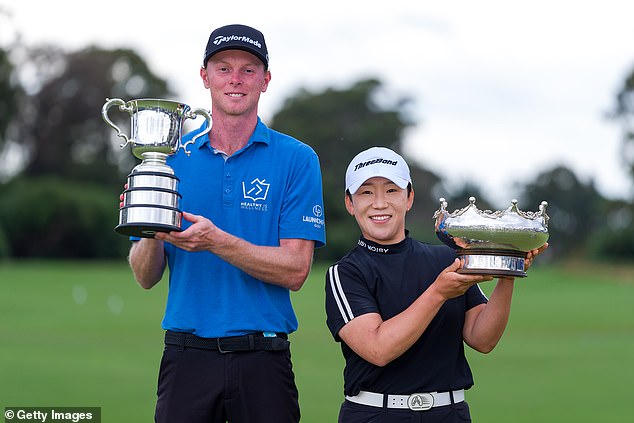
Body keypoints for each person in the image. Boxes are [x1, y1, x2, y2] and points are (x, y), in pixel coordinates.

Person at [126, 24, 326, 423]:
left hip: (263, 359)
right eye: (223, 67)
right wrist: (150, 227)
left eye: (249, 69)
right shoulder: (169, 159)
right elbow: (146, 277)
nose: (235, 79)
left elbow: (296, 269)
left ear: (265, 80)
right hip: (187, 358)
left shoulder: (297, 158)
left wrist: (216, 241)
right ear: (205, 76)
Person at [324, 147, 547, 423]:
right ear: (350, 203)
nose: (379, 203)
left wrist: (507, 273)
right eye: (366, 192)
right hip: (376, 414)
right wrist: (439, 293)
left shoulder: (446, 258)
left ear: (409, 198)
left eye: (392, 190)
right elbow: (379, 349)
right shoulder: (345, 273)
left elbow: (483, 339)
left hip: (448, 413)